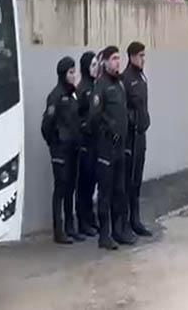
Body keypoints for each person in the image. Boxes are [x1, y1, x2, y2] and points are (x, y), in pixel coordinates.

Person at [88, 46, 135, 250]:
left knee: (119, 190)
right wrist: (108, 129)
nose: (117, 62)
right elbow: (94, 117)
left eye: (118, 58)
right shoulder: (101, 86)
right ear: (105, 62)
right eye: (114, 58)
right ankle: (104, 235)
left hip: (120, 148)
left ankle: (118, 231)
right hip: (106, 148)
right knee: (105, 192)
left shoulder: (120, 84)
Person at [41, 56, 84, 244]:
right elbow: (46, 125)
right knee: (61, 188)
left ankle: (70, 227)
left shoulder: (73, 95)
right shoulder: (55, 96)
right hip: (61, 151)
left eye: (75, 72)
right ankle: (59, 231)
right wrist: (55, 143)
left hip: (73, 149)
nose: (74, 76)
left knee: (70, 189)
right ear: (63, 74)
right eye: (71, 72)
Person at [122, 41, 152, 237]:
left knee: (137, 181)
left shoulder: (141, 77)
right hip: (130, 137)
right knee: (128, 181)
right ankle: (125, 222)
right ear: (132, 56)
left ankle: (136, 219)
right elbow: (123, 109)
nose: (143, 59)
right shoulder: (126, 79)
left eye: (144, 55)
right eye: (140, 56)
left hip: (141, 135)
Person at [75, 51, 99, 237]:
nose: (96, 68)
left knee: (92, 183)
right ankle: (82, 222)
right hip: (85, 144)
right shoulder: (81, 89)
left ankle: (90, 218)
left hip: (95, 142)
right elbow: (76, 115)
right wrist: (84, 127)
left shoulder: (95, 87)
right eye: (93, 65)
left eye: (97, 64)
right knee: (83, 184)